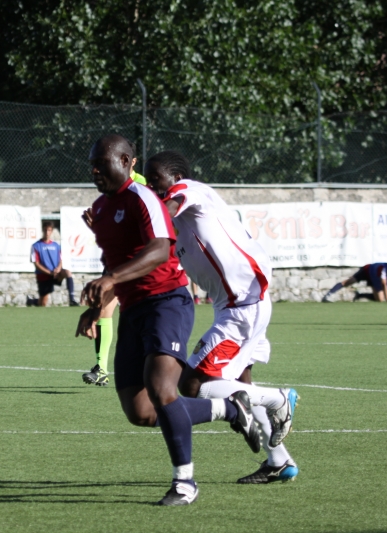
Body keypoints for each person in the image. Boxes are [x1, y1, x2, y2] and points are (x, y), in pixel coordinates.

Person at [76, 135, 262, 506]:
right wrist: (98, 307)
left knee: (162, 389)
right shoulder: (100, 207)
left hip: (167, 303)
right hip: (133, 309)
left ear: (127, 161)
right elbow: (114, 263)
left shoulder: (143, 198)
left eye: (103, 162)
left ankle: (185, 484)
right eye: (92, 164)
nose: (95, 169)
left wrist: (110, 280)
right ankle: (229, 408)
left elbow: (160, 249)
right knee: (141, 412)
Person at [144, 149, 300, 485]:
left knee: (192, 383)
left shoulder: (188, 190)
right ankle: (279, 462)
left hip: (241, 308)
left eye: (155, 178)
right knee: (240, 383)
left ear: (174, 176)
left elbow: (165, 213)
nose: (152, 187)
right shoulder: (181, 222)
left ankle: (278, 399)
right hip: (237, 304)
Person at [79, 155, 147, 386]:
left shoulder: (141, 187)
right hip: (118, 263)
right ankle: (102, 369)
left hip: (138, 265)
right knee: (104, 311)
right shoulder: (110, 192)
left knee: (139, 318)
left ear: (131, 161)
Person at [30, 221, 78, 307]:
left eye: (49, 230)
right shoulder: (36, 246)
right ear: (43, 230)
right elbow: (36, 263)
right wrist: (49, 273)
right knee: (43, 303)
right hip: (44, 275)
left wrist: (59, 269)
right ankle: (34, 302)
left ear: (52, 231)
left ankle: (72, 299)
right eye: (45, 230)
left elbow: (61, 259)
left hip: (56, 273)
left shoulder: (56, 245)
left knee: (67, 272)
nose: (47, 232)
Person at [322, 258, 387, 303]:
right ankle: (327, 296)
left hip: (374, 278)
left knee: (380, 300)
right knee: (348, 282)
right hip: (367, 271)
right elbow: (384, 284)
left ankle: (360, 295)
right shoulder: (384, 268)